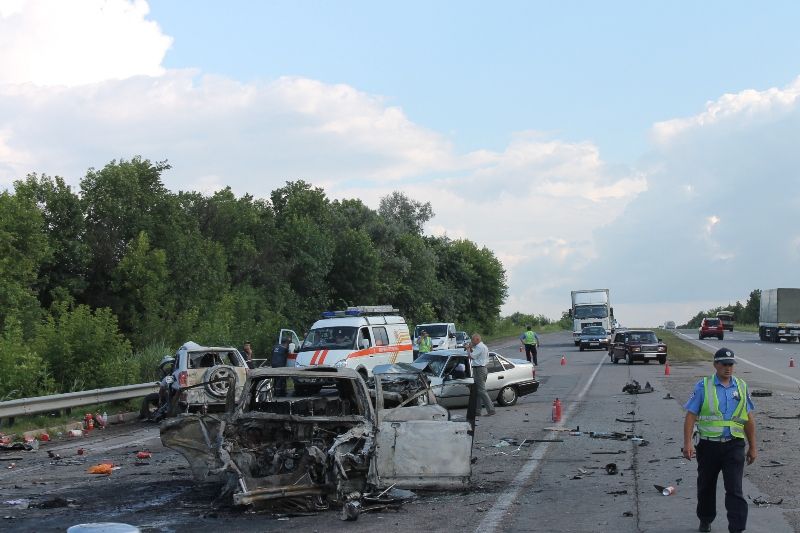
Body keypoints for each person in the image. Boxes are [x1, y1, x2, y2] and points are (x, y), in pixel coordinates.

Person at [682, 348, 756, 533]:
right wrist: (687, 443)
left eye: (731, 364)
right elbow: (691, 415)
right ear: (715, 364)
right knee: (706, 486)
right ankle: (705, 519)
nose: (728, 368)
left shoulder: (741, 386)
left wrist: (753, 447)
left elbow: (748, 418)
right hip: (708, 446)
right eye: (724, 364)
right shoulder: (703, 386)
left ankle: (737, 529)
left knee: (735, 489)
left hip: (734, 445)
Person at [466, 333, 496, 416]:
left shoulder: (480, 347)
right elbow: (475, 354)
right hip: (479, 368)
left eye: (473, 340)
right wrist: (470, 348)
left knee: (481, 391)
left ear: (477, 340)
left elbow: (471, 356)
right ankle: (477, 411)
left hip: (479, 369)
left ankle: (491, 409)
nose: (471, 341)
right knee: (478, 390)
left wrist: (468, 349)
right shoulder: (481, 346)